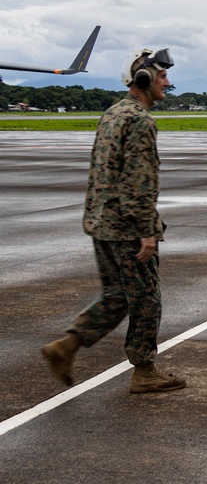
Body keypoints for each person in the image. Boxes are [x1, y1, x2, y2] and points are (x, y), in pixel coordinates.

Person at [40, 48, 186, 394]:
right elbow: (139, 183)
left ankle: (65, 348)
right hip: (126, 227)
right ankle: (145, 371)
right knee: (146, 299)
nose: (167, 82)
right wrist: (147, 232)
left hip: (101, 222)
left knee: (119, 294)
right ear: (143, 79)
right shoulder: (140, 120)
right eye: (161, 76)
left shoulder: (113, 113)